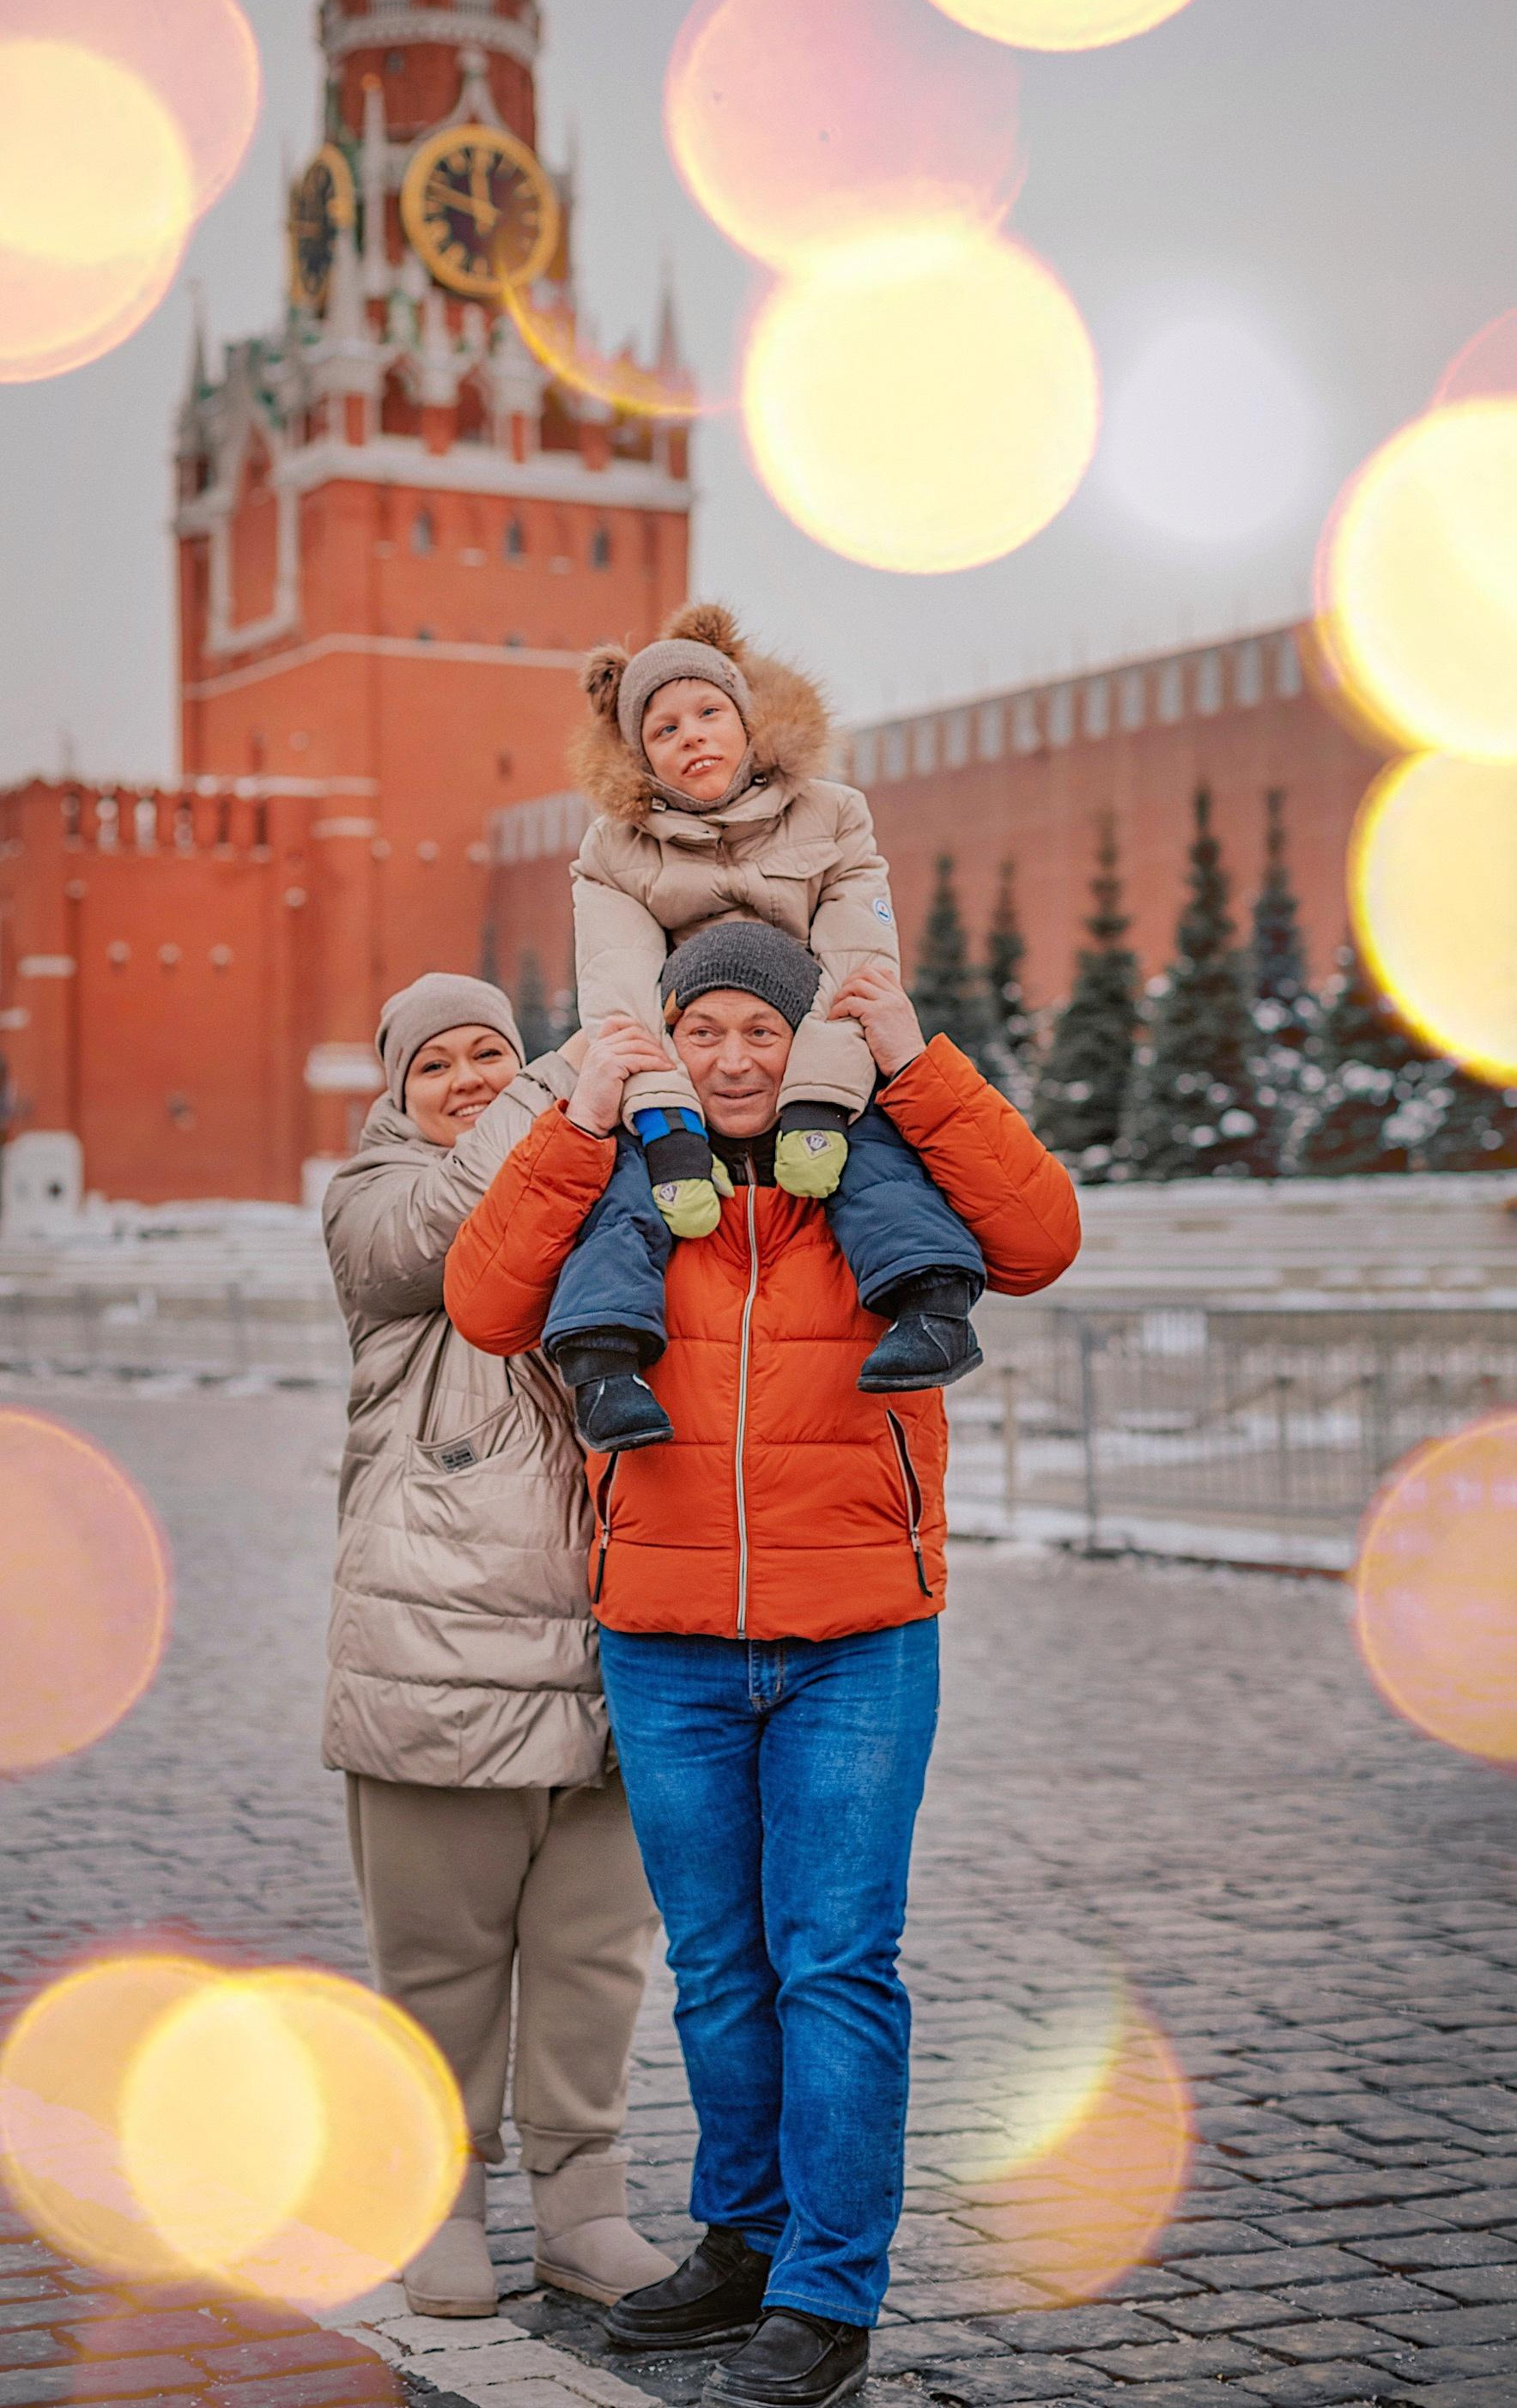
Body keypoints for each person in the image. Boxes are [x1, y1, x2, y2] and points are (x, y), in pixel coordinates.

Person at [445, 932, 1079, 2408]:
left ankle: (829, 2290)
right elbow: (486, 1305)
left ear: (805, 1048)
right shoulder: (622, 1183)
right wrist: (576, 1113)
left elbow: (1040, 1239)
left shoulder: (874, 1179)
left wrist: (914, 1058)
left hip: (857, 1638)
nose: (735, 1058)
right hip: (666, 1644)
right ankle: (741, 2238)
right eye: (705, 1030)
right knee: (721, 1972)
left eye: (761, 1032)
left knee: (835, 1964)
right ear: (670, 1042)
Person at [322, 973, 675, 2320]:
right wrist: (559, 1082)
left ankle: (582, 2207)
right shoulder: (374, 1198)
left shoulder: (598, 1176)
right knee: (440, 1963)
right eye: (437, 1066)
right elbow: (436, 1230)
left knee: (593, 1958)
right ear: (396, 1096)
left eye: (492, 1052)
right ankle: (441, 2202)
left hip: (610, 1650)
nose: (469, 1076)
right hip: (436, 1656)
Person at [555, 602, 987, 1455]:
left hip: (812, 1043)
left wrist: (822, 1103)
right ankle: (604, 1367)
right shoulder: (613, 852)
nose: (692, 736)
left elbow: (858, 964)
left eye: (709, 712)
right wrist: (666, 1126)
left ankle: (934, 1309)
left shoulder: (831, 814)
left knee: (878, 1159)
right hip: (688, 1065)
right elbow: (620, 1000)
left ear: (748, 717)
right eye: (664, 727)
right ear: (638, 752)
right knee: (620, 1197)